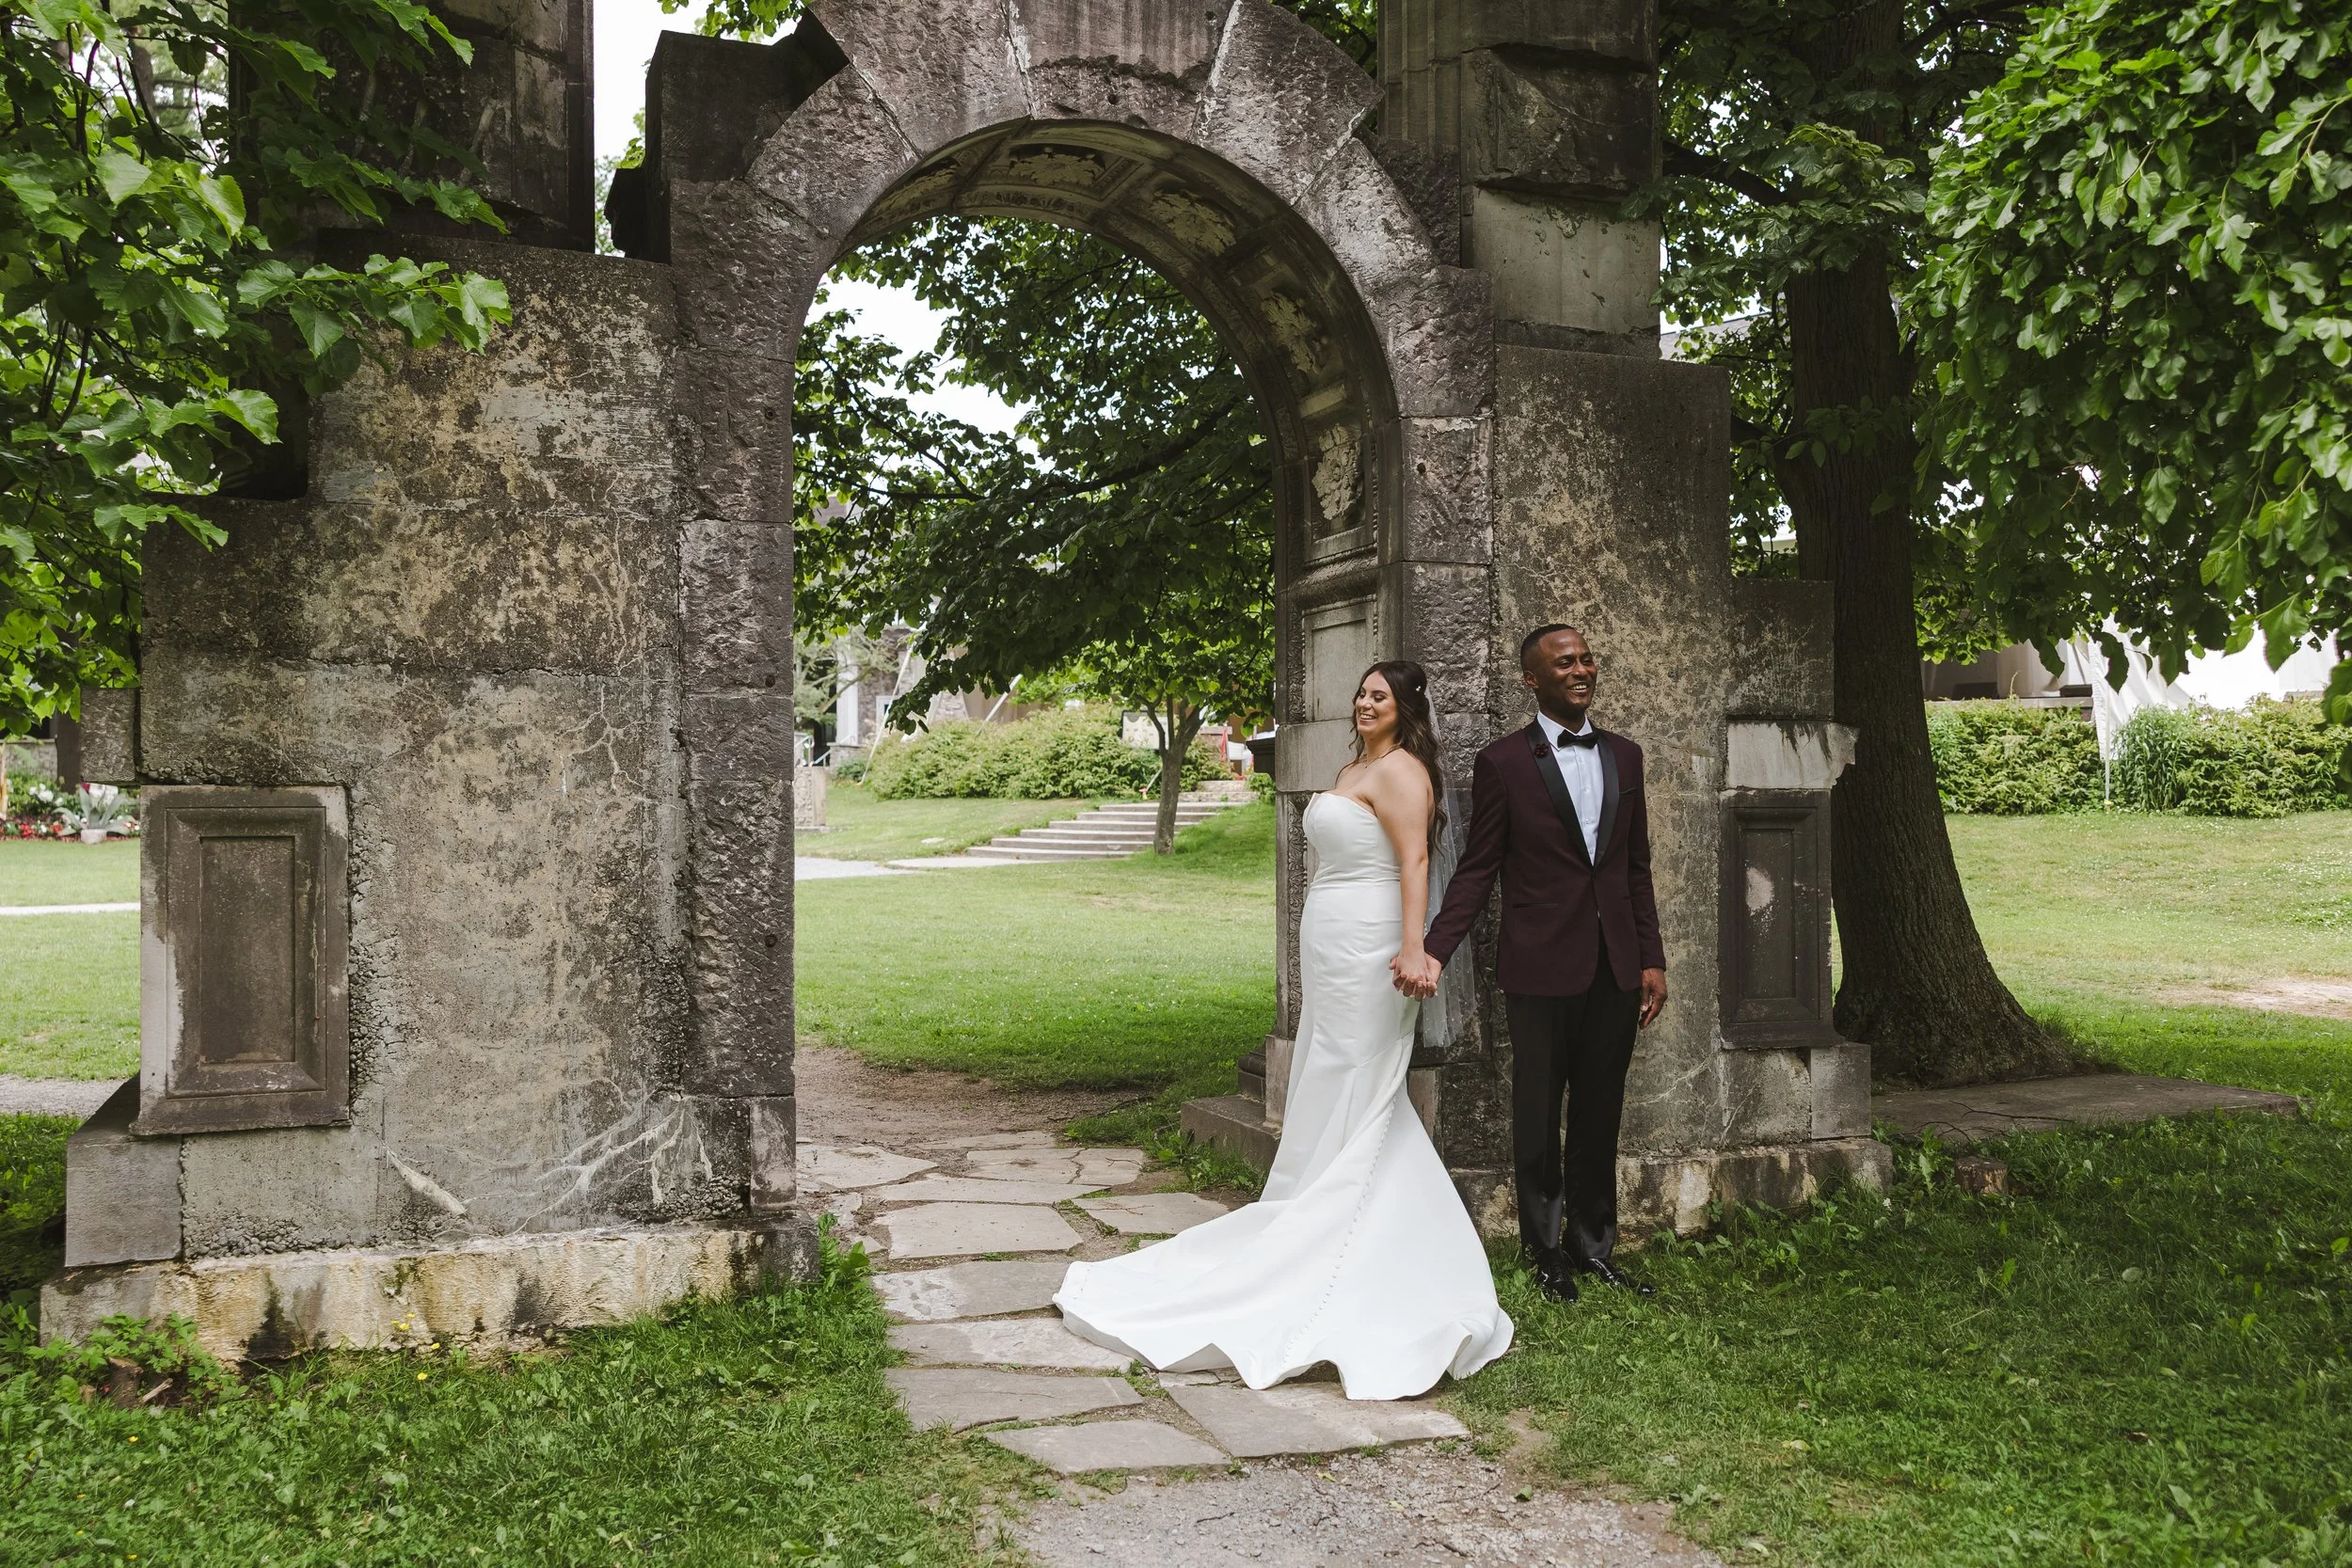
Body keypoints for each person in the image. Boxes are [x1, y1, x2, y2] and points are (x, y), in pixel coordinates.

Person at [1054, 661, 1514, 1400]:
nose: (1364, 703)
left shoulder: (1401, 771)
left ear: (1405, 710)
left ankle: (1357, 1247)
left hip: (1373, 945)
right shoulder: (1354, 764)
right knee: (1332, 1082)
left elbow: (1415, 860)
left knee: (1365, 1088)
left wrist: (1413, 946)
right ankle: (1325, 1215)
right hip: (1332, 943)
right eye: (1360, 692)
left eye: (1379, 696)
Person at [1398, 625, 1667, 1304]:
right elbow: (1479, 867)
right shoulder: (1504, 764)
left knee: (1602, 1109)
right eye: (1564, 663)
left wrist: (1651, 958)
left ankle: (1595, 1244)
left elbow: (1635, 867)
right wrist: (1435, 947)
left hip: (1615, 966)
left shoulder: (1626, 758)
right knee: (1538, 1110)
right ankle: (1545, 1251)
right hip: (1539, 966)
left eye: (1585, 658)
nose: (1581, 669)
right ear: (1532, 680)